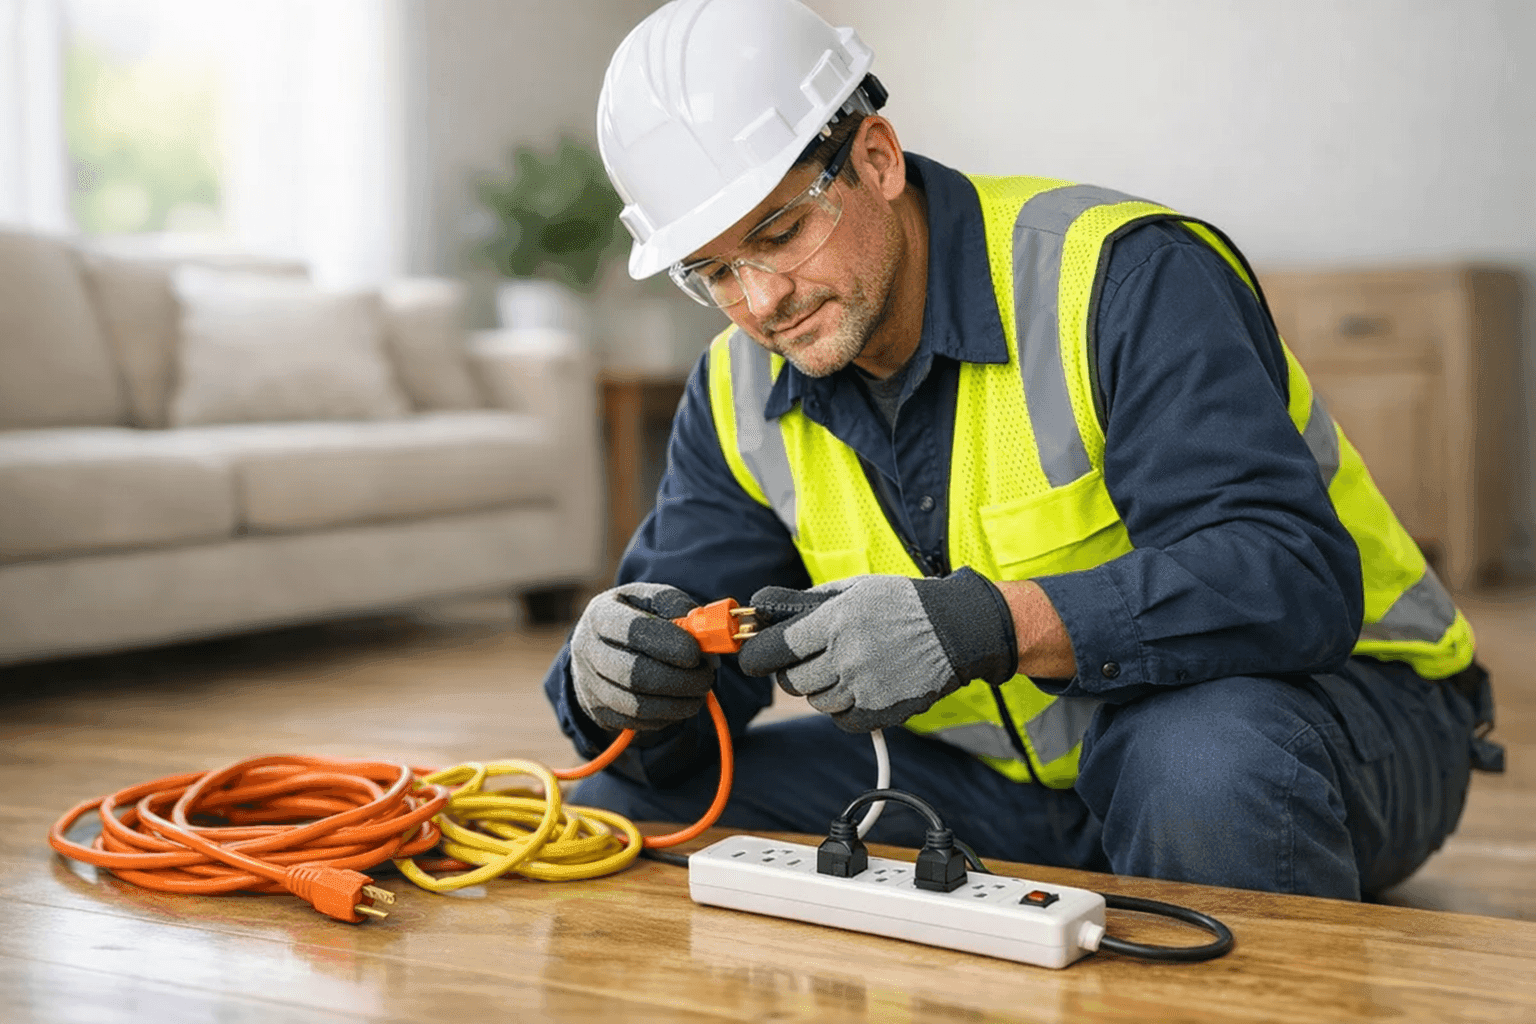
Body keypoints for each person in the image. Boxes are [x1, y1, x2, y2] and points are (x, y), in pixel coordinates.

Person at [541, 0, 1504, 899]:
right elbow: (675, 680)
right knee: (631, 814)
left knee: (1199, 765)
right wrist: (617, 681)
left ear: (876, 158)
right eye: (712, 272)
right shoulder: (734, 390)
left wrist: (989, 623)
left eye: (781, 232)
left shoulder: (1121, 280)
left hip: (1337, 717)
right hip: (1005, 782)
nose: (759, 303)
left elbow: (1289, 578)